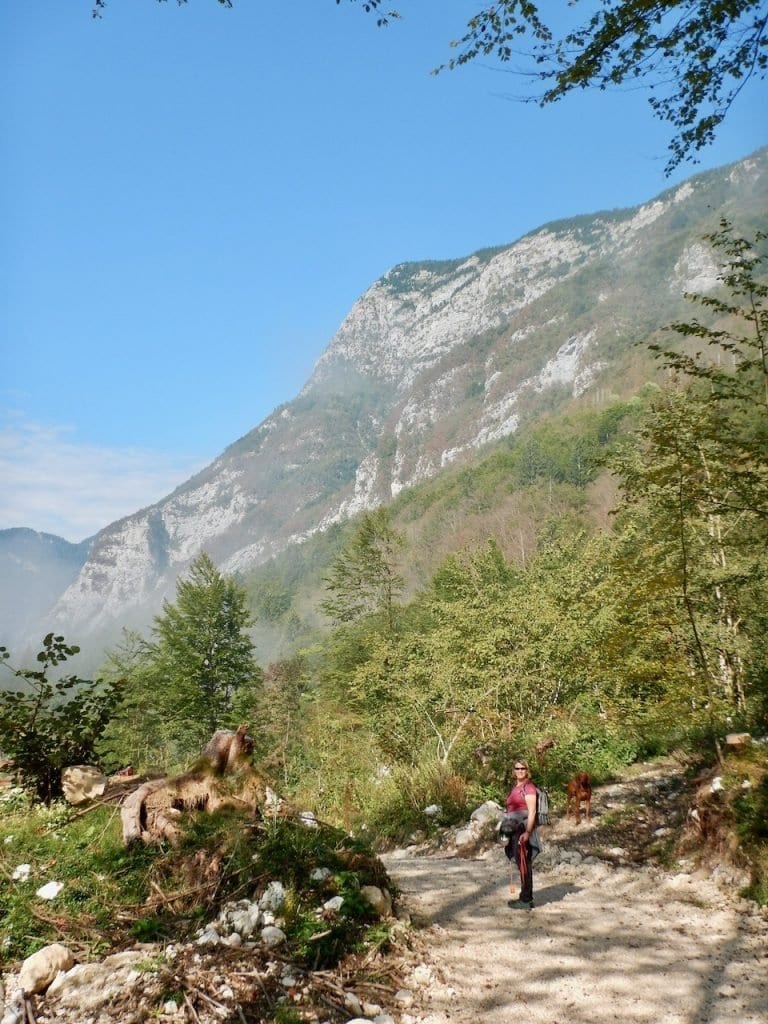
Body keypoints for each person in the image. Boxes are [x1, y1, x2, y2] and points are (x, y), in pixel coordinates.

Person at [503, 759, 541, 910]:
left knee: (524, 864)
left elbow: (532, 812)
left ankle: (526, 900)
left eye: (522, 768)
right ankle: (525, 897)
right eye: (517, 768)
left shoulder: (529, 788)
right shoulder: (516, 787)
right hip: (513, 828)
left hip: (522, 830)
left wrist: (528, 832)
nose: (519, 770)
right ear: (514, 770)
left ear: (527, 770)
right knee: (521, 862)